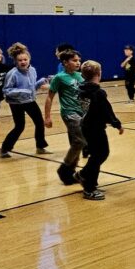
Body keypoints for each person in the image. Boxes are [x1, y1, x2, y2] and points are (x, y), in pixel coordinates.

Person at [77, 60, 123, 200]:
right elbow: (107, 111)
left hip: (85, 127)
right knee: (100, 155)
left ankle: (84, 176)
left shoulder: (81, 89)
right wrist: (117, 124)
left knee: (97, 155)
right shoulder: (98, 93)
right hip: (95, 128)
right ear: (99, 74)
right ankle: (88, 187)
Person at [45, 49, 87, 185]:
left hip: (82, 113)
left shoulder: (81, 76)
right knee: (80, 142)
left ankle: (70, 173)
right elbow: (49, 97)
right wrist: (47, 117)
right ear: (65, 62)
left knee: (76, 142)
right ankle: (64, 169)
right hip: (69, 113)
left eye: (79, 60)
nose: (78, 63)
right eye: (74, 60)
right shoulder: (59, 77)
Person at [0, 48, 50, 157]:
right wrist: (23, 91)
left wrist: (41, 82)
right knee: (19, 126)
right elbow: (6, 91)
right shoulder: (12, 74)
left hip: (30, 101)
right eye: (20, 60)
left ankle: (40, 147)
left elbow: (32, 88)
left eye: (25, 59)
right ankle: (4, 149)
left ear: (29, 59)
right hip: (16, 103)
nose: (23, 62)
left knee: (39, 123)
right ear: (15, 61)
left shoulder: (32, 70)